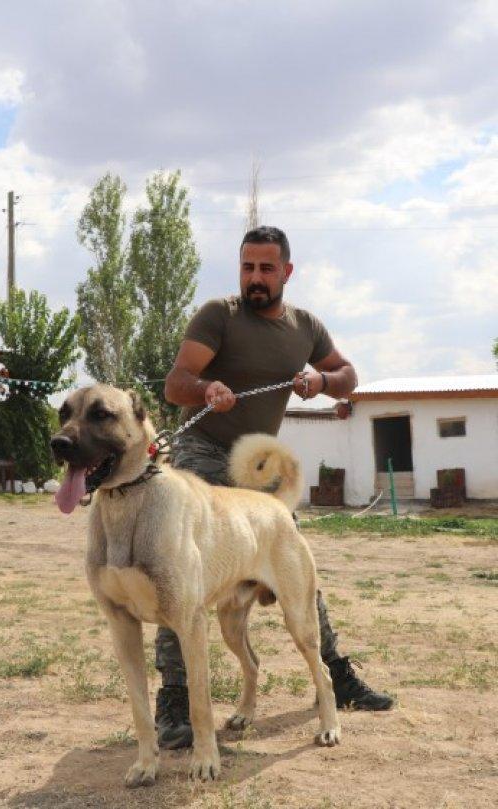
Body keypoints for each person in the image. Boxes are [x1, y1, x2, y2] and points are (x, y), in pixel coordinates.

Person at [155, 225, 394, 750]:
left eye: (266, 268)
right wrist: (206, 388)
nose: (255, 278)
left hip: (259, 468)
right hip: (204, 457)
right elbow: (175, 383)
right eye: (247, 267)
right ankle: (173, 701)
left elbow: (348, 375)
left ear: (287, 271)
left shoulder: (305, 327)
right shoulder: (218, 315)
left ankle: (335, 674)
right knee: (182, 570)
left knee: (295, 567)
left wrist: (321, 383)